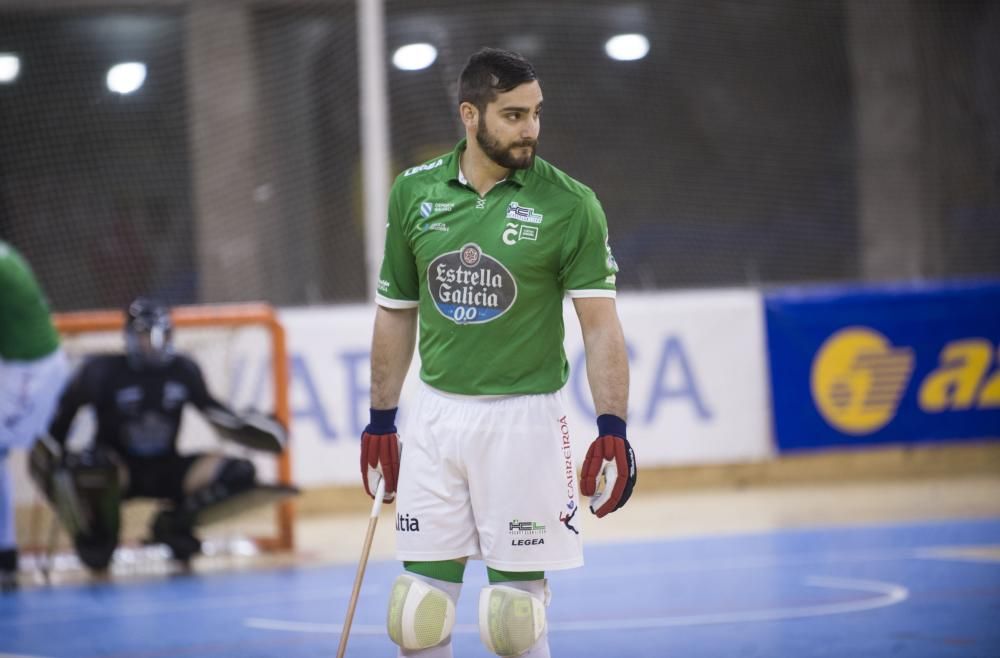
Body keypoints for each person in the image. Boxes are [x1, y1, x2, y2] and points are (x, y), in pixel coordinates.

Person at [361, 48, 636, 657]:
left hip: (525, 423)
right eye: (513, 115)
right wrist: (382, 421)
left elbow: (600, 325)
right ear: (470, 114)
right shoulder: (413, 193)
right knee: (417, 612)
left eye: (536, 113)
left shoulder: (571, 205)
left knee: (513, 619)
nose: (530, 128)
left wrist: (612, 427)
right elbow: (395, 312)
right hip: (435, 419)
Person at [37, 297, 291, 573]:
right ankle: (100, 532)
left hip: (167, 467)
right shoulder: (102, 372)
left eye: (162, 334)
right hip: (118, 469)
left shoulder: (183, 370)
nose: (154, 343)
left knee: (238, 470)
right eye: (146, 335)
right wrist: (58, 459)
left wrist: (254, 428)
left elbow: (215, 413)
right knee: (91, 468)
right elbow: (62, 420)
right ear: (131, 336)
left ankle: (174, 525)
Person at [0, 240, 70, 593]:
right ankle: (6, 553)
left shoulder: (3, 267)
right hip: (15, 366)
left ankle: (6, 556)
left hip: (30, 373)